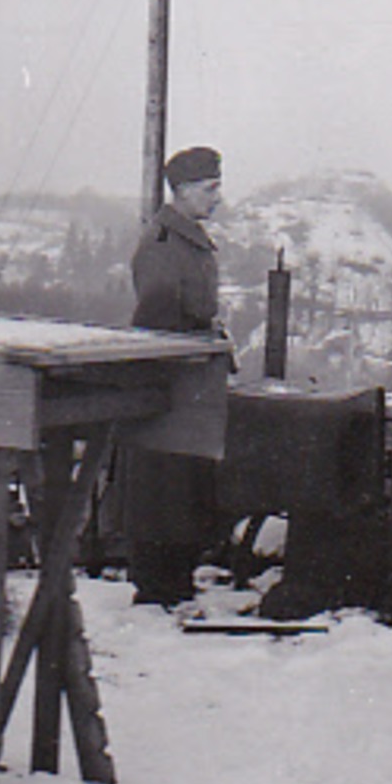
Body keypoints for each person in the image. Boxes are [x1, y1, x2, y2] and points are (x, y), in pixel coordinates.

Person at [125, 146, 224, 605]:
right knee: (164, 484)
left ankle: (173, 583)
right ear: (183, 191)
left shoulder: (187, 239)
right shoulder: (164, 244)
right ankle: (158, 587)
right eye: (210, 188)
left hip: (190, 382)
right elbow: (158, 320)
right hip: (171, 383)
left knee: (181, 484)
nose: (217, 198)